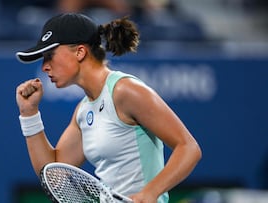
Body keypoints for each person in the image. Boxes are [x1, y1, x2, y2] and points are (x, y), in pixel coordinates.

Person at [15, 13, 202, 203]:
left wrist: (150, 192)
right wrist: (29, 114)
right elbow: (54, 177)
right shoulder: (83, 110)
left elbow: (189, 148)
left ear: (80, 52)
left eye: (49, 56)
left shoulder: (126, 91)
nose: (45, 66)